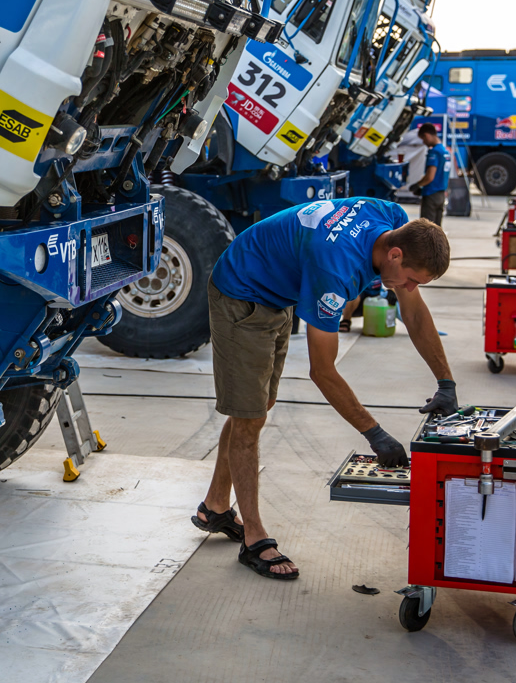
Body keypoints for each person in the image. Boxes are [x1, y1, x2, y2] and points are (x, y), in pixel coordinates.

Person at [190, 198, 457, 581]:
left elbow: (412, 310)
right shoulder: (334, 268)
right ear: (395, 254)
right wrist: (375, 434)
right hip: (242, 294)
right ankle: (254, 539)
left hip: (277, 289)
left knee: (255, 407)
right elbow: (323, 371)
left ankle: (215, 506)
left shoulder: (392, 219)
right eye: (412, 278)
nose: (410, 288)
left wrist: (445, 381)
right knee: (249, 418)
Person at [411, 124, 451, 225]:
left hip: (431, 195)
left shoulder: (434, 152)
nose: (424, 142)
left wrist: (418, 185)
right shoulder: (445, 151)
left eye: (423, 139)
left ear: (427, 135)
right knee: (437, 230)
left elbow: (430, 177)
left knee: (426, 230)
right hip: (441, 195)